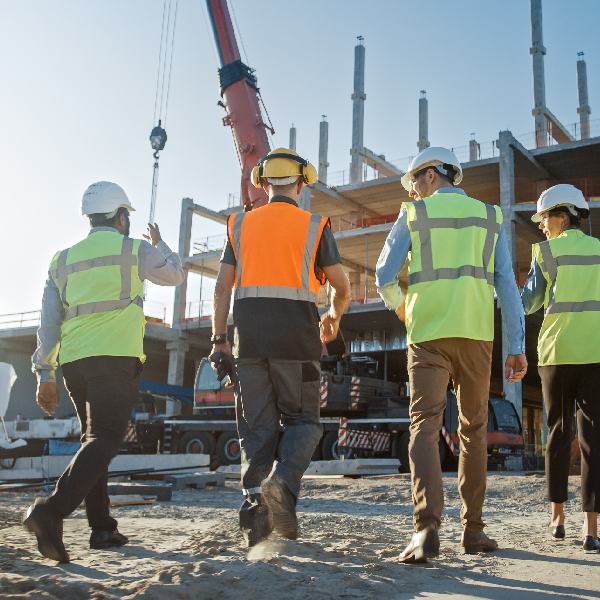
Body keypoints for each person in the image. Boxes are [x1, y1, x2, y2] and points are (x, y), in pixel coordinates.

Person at [375, 147, 527, 563]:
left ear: (428, 176)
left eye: (413, 184)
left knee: (423, 427)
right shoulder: (490, 217)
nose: (414, 192)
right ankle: (473, 532)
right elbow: (507, 287)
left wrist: (402, 307)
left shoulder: (413, 215)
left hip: (427, 334)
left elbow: (383, 274)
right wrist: (516, 346)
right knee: (473, 431)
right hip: (477, 335)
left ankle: (426, 530)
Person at [25, 181, 184, 562]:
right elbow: (176, 276)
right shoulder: (135, 250)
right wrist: (161, 245)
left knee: (92, 441)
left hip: (75, 364)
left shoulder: (62, 260)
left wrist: (43, 373)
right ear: (122, 216)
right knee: (106, 439)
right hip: (114, 359)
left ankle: (102, 529)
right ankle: (51, 512)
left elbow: (48, 324)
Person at [211, 148, 351, 547]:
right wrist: (333, 317)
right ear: (302, 182)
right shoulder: (314, 225)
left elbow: (222, 287)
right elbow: (341, 288)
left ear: (263, 182)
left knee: (257, 431)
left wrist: (219, 339)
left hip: (249, 343)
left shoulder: (239, 224)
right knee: (304, 422)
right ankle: (283, 483)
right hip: (298, 341)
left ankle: (257, 527)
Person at [522, 184, 600, 553]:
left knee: (557, 432)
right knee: (593, 439)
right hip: (595, 353)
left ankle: (557, 519)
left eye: (544, 218)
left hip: (555, 353)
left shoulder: (546, 253)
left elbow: (530, 302)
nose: (541, 226)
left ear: (562, 216)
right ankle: (592, 529)